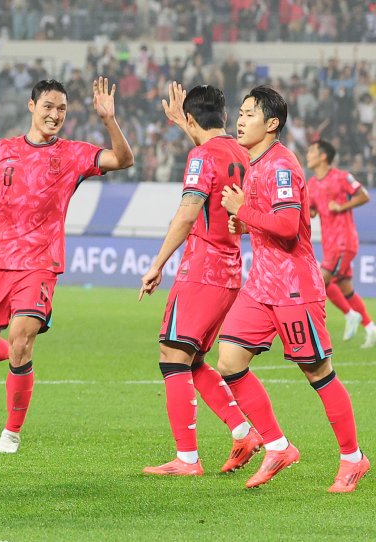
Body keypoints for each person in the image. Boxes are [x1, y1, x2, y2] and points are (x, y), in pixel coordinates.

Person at [0, 78, 134, 453]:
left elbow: (123, 160)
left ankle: (10, 433)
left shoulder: (74, 153)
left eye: (61, 109)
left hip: (39, 264)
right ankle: (17, 359)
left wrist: (109, 119)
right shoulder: (1, 151)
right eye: (48, 106)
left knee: (22, 338)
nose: (55, 115)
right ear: (31, 106)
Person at [218, 85, 368, 492]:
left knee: (318, 373)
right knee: (229, 361)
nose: (240, 119)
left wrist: (242, 211)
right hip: (261, 286)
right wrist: (245, 222)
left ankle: (353, 459)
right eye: (241, 112)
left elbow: (287, 228)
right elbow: (271, 222)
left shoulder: (282, 166)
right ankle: (278, 446)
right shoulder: (255, 164)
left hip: (294, 288)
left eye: (249, 113)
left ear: (272, 123)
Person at [139, 83, 262, 476]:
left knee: (172, 356)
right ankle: (243, 431)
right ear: (226, 118)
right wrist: (183, 122)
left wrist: (157, 263)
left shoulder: (200, 156)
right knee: (193, 361)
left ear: (192, 120)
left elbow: (189, 213)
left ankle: (186, 458)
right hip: (230, 272)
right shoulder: (243, 152)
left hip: (201, 270)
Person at [306, 140, 375, 347]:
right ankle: (370, 328)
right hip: (329, 244)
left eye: (311, 151)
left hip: (344, 242)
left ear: (323, 156)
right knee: (346, 289)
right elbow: (313, 210)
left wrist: (342, 205)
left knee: (318, 282)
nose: (308, 155)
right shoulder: (312, 184)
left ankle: (348, 315)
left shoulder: (341, 177)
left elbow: (364, 196)